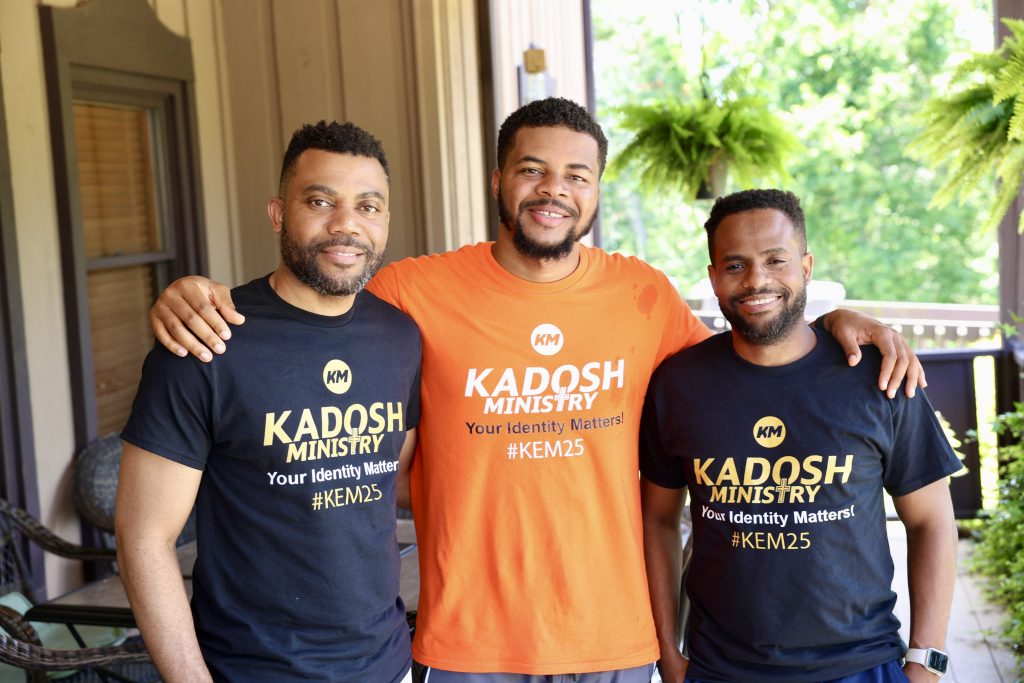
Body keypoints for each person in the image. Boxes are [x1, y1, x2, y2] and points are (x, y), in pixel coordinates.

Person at [147, 98, 925, 682]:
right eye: (532, 170)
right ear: (499, 179)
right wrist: (193, 295)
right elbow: (313, 301)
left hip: (616, 640)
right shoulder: (411, 292)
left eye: (576, 175)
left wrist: (835, 323)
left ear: (596, 191)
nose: (554, 190)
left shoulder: (643, 294)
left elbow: (753, 364)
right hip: (467, 646)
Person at [115, 121, 421, 682]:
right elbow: (143, 539)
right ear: (279, 213)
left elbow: (388, 480)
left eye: (368, 206)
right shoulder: (207, 340)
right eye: (320, 201)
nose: (346, 224)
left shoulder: (401, 338)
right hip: (252, 670)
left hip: (388, 664)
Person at [639, 189, 960, 683]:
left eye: (776, 260)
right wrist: (668, 653)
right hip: (720, 669)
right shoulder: (678, 385)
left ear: (806, 266)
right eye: (735, 265)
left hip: (862, 666)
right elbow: (658, 521)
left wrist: (926, 663)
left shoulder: (879, 376)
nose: (756, 280)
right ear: (714, 278)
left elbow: (932, 522)